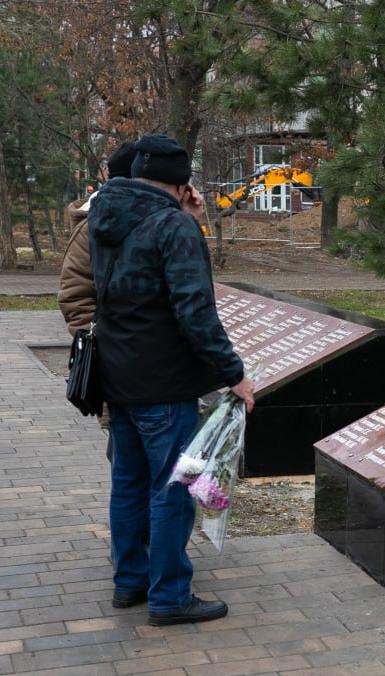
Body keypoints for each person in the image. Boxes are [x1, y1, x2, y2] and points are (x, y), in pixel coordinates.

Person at [88, 133, 254, 626]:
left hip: (118, 376)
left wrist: (186, 217)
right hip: (165, 383)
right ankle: (170, 596)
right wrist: (234, 374)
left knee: (129, 483)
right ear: (182, 183)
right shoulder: (173, 226)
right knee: (174, 489)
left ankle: (130, 582)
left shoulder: (106, 216)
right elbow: (195, 311)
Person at [59, 141, 137, 336]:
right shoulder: (92, 227)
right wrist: (102, 342)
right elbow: (76, 296)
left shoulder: (165, 221)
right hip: (118, 348)